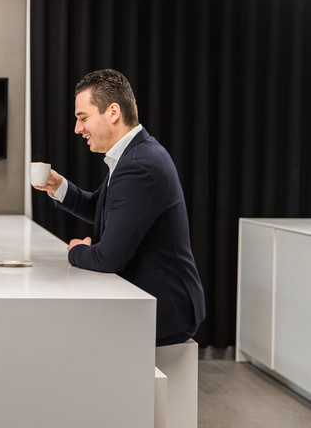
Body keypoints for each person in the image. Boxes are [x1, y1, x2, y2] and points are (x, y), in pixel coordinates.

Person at [34, 69, 206, 346]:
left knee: (60, 335)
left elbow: (108, 258)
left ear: (113, 112)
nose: (77, 128)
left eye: (83, 118)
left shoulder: (138, 165)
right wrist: (59, 186)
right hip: (153, 301)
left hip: (164, 311)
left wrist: (75, 251)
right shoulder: (136, 153)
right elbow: (101, 208)